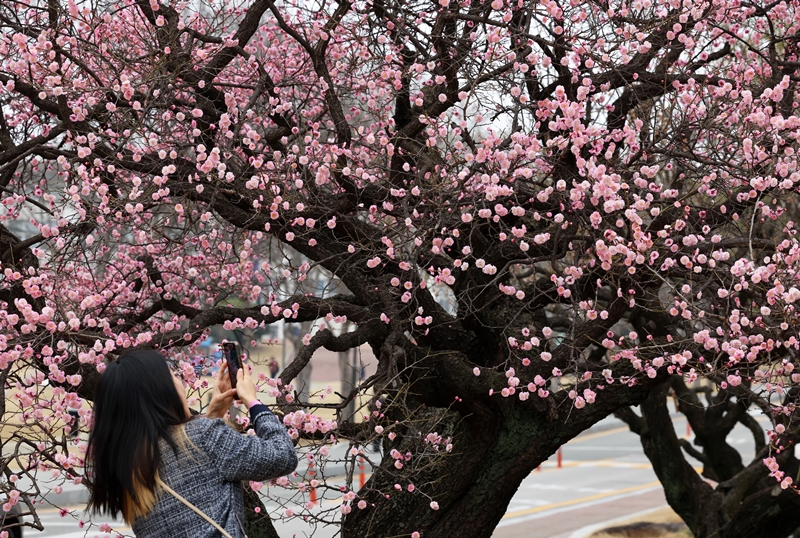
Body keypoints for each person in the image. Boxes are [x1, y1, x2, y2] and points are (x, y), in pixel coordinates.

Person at [86, 349, 297, 537]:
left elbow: (186, 467)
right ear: (162, 390)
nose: (180, 382)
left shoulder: (127, 471)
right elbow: (283, 455)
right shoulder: (203, 436)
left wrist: (213, 416)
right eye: (173, 376)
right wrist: (253, 402)